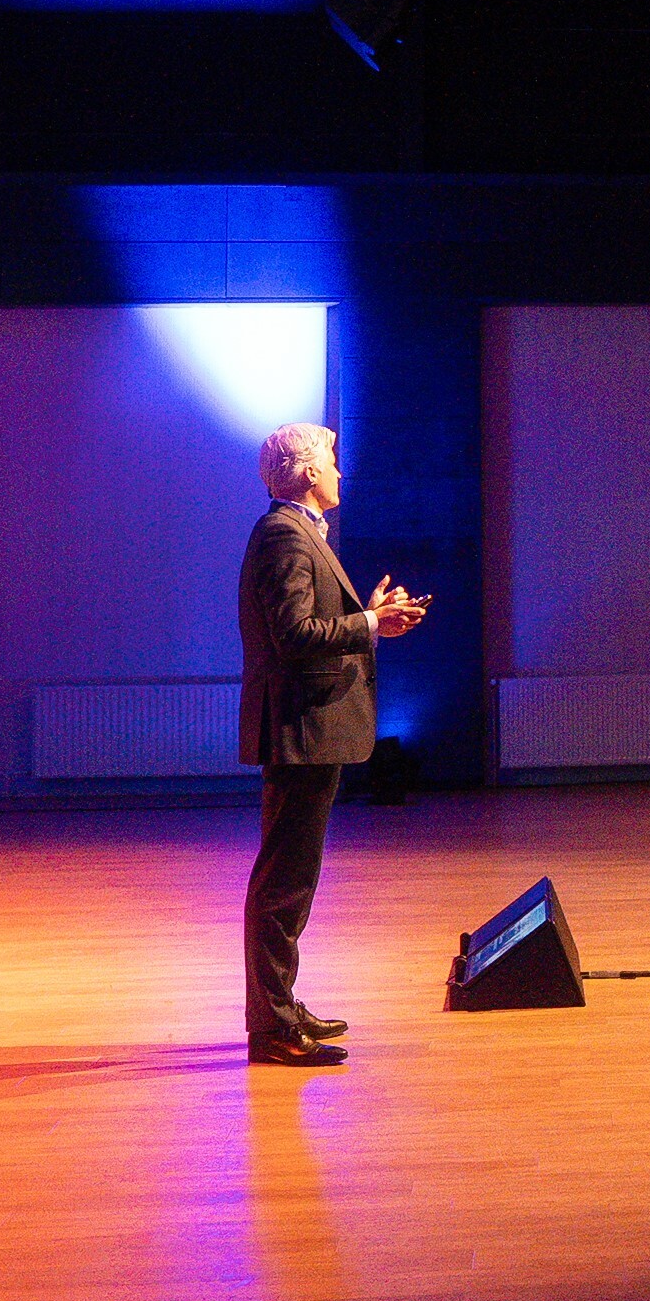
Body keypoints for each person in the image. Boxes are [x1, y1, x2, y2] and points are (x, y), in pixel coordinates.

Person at [237, 423, 428, 1068]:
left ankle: (281, 1008)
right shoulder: (284, 536)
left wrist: (368, 619)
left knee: (292, 878)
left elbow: (312, 622)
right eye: (333, 463)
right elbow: (293, 633)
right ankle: (271, 1026)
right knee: (284, 881)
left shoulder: (299, 533)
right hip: (301, 727)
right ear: (309, 473)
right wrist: (370, 621)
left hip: (310, 727)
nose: (340, 473)